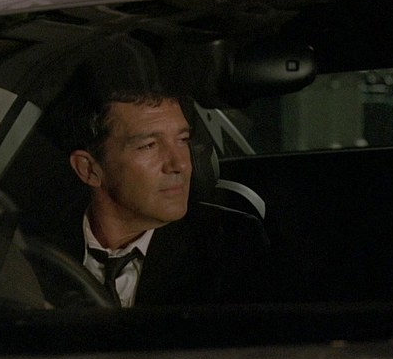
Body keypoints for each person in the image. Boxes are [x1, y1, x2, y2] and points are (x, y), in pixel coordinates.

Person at [40, 86, 268, 307]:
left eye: (183, 140)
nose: (179, 164)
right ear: (89, 169)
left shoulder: (228, 244)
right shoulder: (36, 249)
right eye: (149, 145)